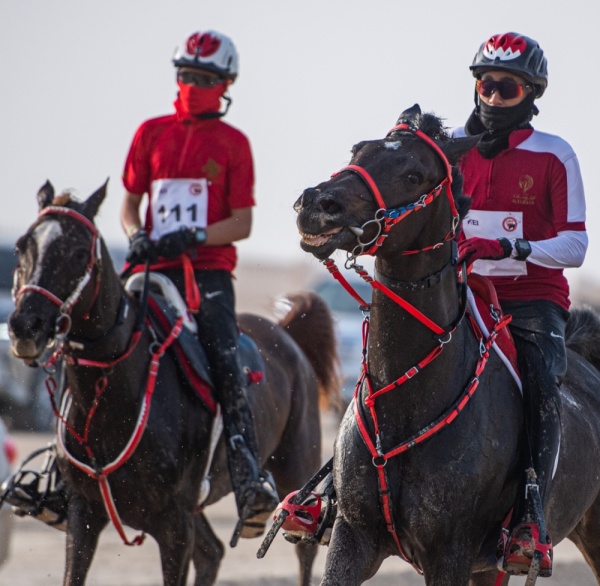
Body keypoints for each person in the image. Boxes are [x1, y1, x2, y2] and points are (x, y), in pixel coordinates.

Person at [120, 29, 279, 542]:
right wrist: (135, 233)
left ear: (225, 83)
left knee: (224, 358)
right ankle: (62, 471)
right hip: (148, 268)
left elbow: (243, 222)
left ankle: (248, 473)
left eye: (205, 79)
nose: (193, 85)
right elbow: (127, 202)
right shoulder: (150, 132)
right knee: (90, 335)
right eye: (186, 76)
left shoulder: (235, 145)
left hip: (206, 273)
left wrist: (196, 236)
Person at [453, 32, 588, 577]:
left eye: (504, 88)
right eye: (484, 84)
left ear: (531, 93)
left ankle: (531, 516)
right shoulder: (448, 148)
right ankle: (339, 491)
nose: (490, 97)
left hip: (531, 300)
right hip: (460, 293)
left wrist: (515, 247)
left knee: (540, 381)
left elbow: (576, 245)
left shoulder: (555, 153)